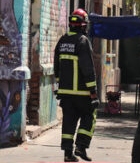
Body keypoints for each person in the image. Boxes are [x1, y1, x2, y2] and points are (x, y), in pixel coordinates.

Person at [54, 8, 98, 162]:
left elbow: (56, 67)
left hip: (66, 93)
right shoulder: (82, 41)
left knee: (68, 122)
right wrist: (93, 92)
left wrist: (59, 87)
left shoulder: (62, 40)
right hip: (82, 93)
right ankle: (81, 146)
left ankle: (67, 154)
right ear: (83, 25)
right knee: (90, 115)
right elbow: (88, 69)